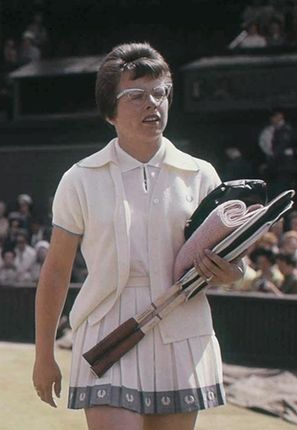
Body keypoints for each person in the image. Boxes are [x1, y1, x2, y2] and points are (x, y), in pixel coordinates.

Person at [33, 43, 242, 430]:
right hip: (106, 332)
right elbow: (57, 270)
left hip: (182, 331)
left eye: (160, 93)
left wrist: (230, 272)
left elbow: (232, 263)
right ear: (109, 110)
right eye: (136, 96)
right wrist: (44, 354)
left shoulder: (201, 175)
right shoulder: (80, 178)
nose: (153, 104)